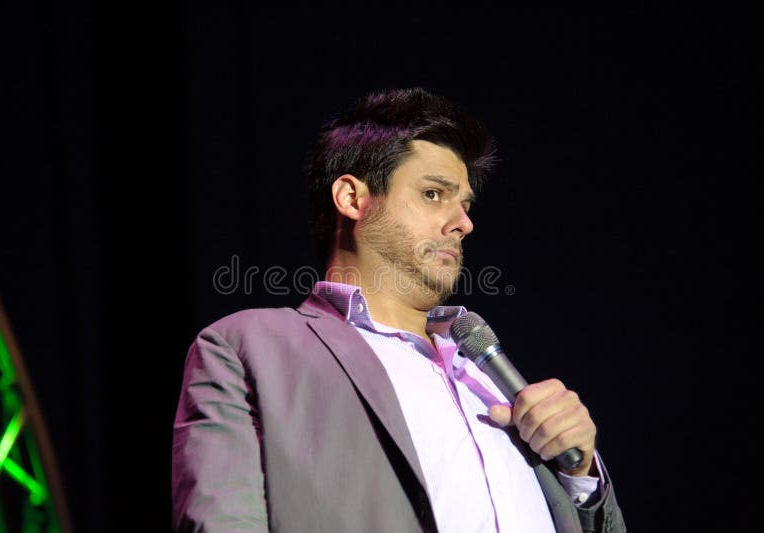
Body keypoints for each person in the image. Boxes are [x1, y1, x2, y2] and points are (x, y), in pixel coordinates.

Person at [172, 87, 625, 532]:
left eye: (465, 204)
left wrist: (581, 475)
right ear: (352, 199)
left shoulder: (487, 375)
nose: (463, 222)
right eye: (433, 194)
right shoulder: (249, 348)